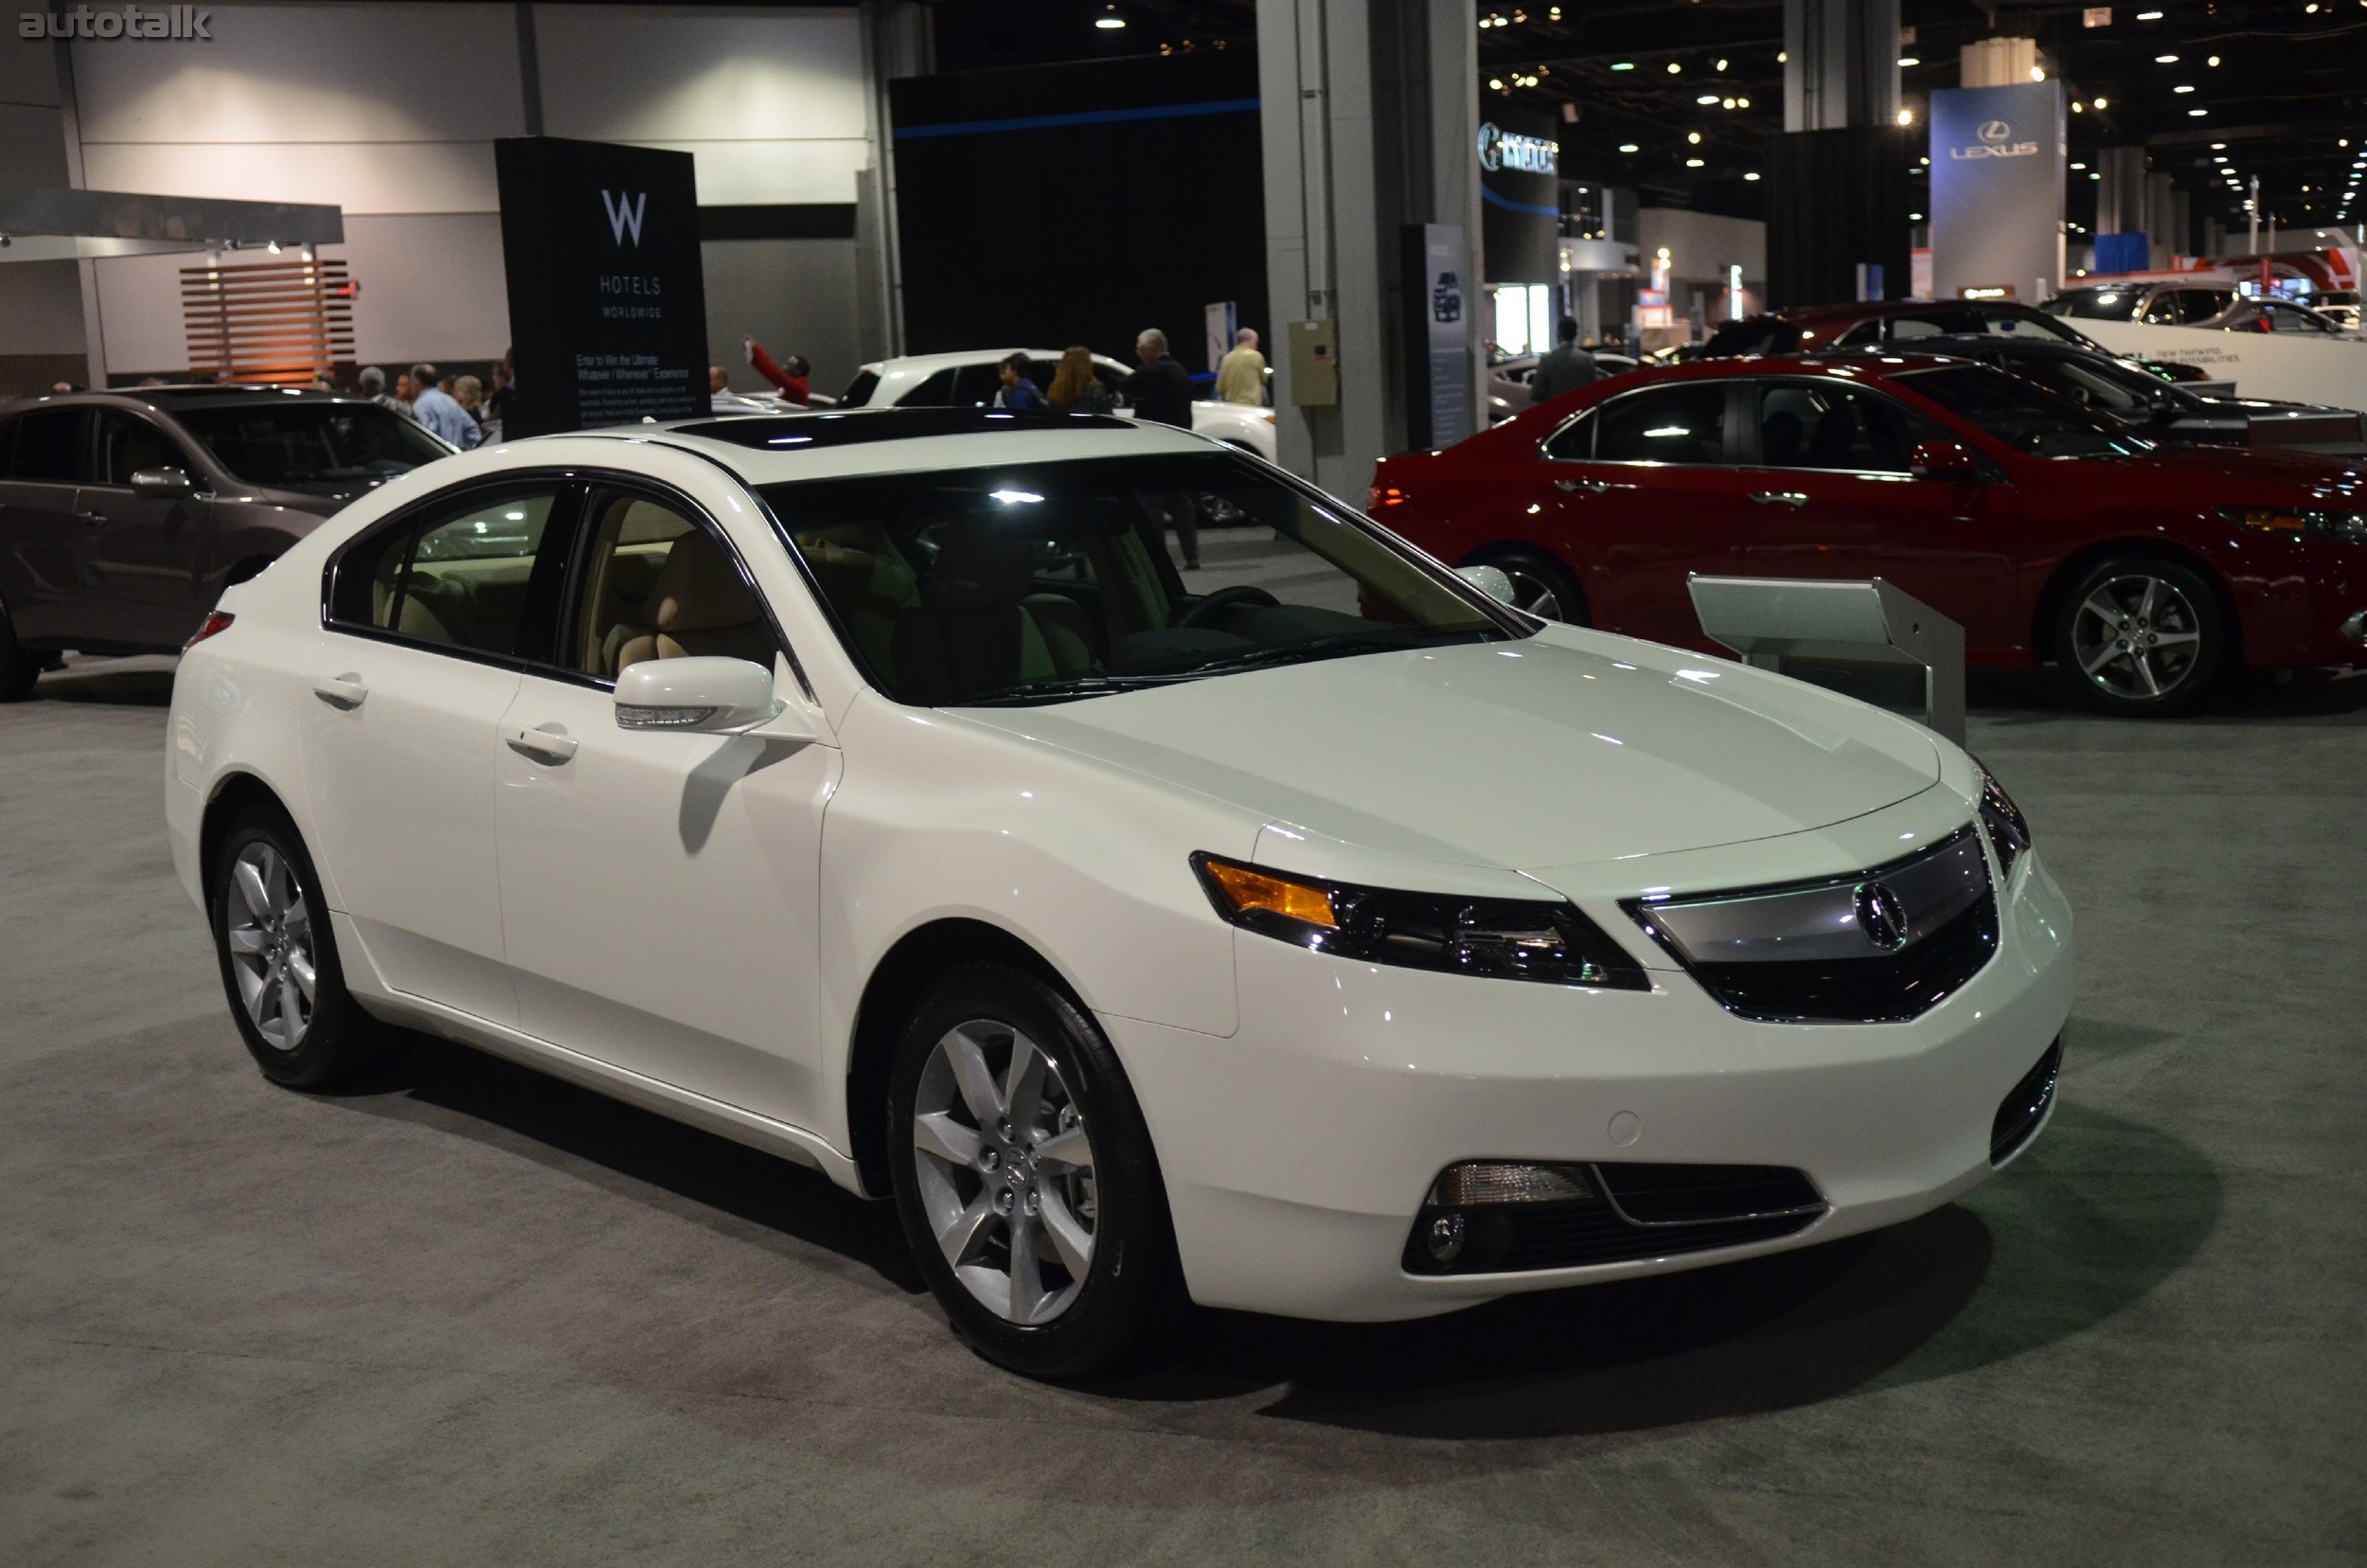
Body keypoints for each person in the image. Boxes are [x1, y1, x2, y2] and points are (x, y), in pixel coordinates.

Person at [1122, 328, 1191, 427]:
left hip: (1156, 434)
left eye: (1140, 350)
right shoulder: (1180, 370)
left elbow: (1123, 387)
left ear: (1151, 350)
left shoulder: (1149, 372)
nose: (1138, 355)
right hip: (1180, 432)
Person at [409, 362, 482, 450]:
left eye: (411, 381)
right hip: (455, 458)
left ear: (417, 382)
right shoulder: (450, 401)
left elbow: (423, 437)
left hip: (435, 459)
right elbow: (473, 429)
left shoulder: (420, 405)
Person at [1529, 317, 1598, 405]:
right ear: (1576, 334)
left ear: (1558, 334)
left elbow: (1535, 394)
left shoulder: (1548, 359)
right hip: (1581, 412)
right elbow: (1593, 391)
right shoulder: (1588, 359)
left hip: (1557, 412)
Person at [1045, 346, 1115, 414]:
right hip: (1088, 425)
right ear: (1087, 364)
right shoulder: (1095, 388)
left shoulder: (1055, 389)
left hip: (1063, 425)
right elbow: (1106, 415)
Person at [744, 337, 810, 405]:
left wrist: (755, 350)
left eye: (789, 366)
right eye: (786, 364)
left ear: (797, 372)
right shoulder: (793, 387)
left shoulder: (798, 388)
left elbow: (774, 373)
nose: (784, 367)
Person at [1216, 327, 1267, 405]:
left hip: (1232, 408)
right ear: (1251, 341)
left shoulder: (1226, 359)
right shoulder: (1256, 357)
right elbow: (1264, 380)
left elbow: (1220, 389)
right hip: (1252, 406)